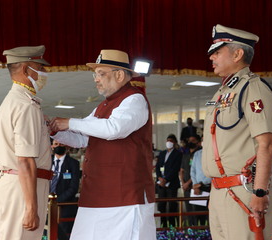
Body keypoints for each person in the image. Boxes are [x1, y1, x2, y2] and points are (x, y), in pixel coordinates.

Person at [50, 49, 156, 240]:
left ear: (119, 74)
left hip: (124, 196)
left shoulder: (134, 99)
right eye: (95, 74)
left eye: (101, 74)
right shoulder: (103, 106)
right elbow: (83, 139)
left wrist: (70, 122)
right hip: (96, 194)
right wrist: (55, 130)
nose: (96, 79)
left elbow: (114, 128)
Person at [202, 24, 272, 239]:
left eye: (217, 52)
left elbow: (266, 143)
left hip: (245, 188)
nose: (211, 58)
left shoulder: (253, 87)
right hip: (220, 190)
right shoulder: (222, 92)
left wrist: (260, 191)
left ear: (237, 54)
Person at [0, 45, 52, 240]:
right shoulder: (26, 105)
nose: (43, 73)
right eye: (40, 68)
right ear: (27, 70)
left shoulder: (14, 101)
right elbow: (25, 160)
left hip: (18, 185)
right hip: (23, 187)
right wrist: (31, 207)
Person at [50, 140, 80, 240]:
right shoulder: (46, 161)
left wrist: (56, 201)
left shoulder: (73, 163)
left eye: (61, 144)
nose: (59, 146)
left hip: (64, 207)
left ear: (66, 146)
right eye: (56, 144)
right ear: (52, 146)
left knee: (62, 236)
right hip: (45, 205)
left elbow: (73, 187)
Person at [156, 134, 182, 227]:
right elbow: (158, 166)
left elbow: (175, 168)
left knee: (172, 206)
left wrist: (166, 179)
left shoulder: (178, 154)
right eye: (167, 141)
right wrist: (159, 177)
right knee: (161, 206)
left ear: (174, 143)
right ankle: (163, 226)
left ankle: (172, 226)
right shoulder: (162, 153)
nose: (169, 143)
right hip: (161, 184)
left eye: (171, 141)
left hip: (171, 183)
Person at [179, 135, 202, 225]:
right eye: (189, 140)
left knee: (197, 211)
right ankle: (191, 230)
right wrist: (183, 183)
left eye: (193, 140)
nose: (190, 142)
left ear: (198, 142)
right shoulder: (186, 155)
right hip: (186, 188)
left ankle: (199, 230)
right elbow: (181, 170)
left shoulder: (199, 154)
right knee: (188, 210)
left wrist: (188, 183)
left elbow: (196, 172)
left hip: (195, 186)